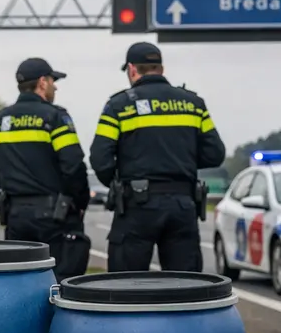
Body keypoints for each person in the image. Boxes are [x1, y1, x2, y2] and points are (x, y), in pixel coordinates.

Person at [90, 42, 226, 273]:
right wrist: (183, 161)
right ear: (160, 69)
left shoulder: (119, 106)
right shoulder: (193, 104)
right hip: (183, 204)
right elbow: (215, 154)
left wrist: (120, 183)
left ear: (132, 70)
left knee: (126, 285)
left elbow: (99, 158)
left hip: (136, 205)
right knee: (186, 287)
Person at [0, 58, 91, 282]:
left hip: (16, 217)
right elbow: (73, 166)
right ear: (42, 83)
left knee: (19, 281)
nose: (55, 86)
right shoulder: (55, 117)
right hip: (55, 218)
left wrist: (14, 184)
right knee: (61, 283)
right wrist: (79, 203)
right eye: (52, 81)